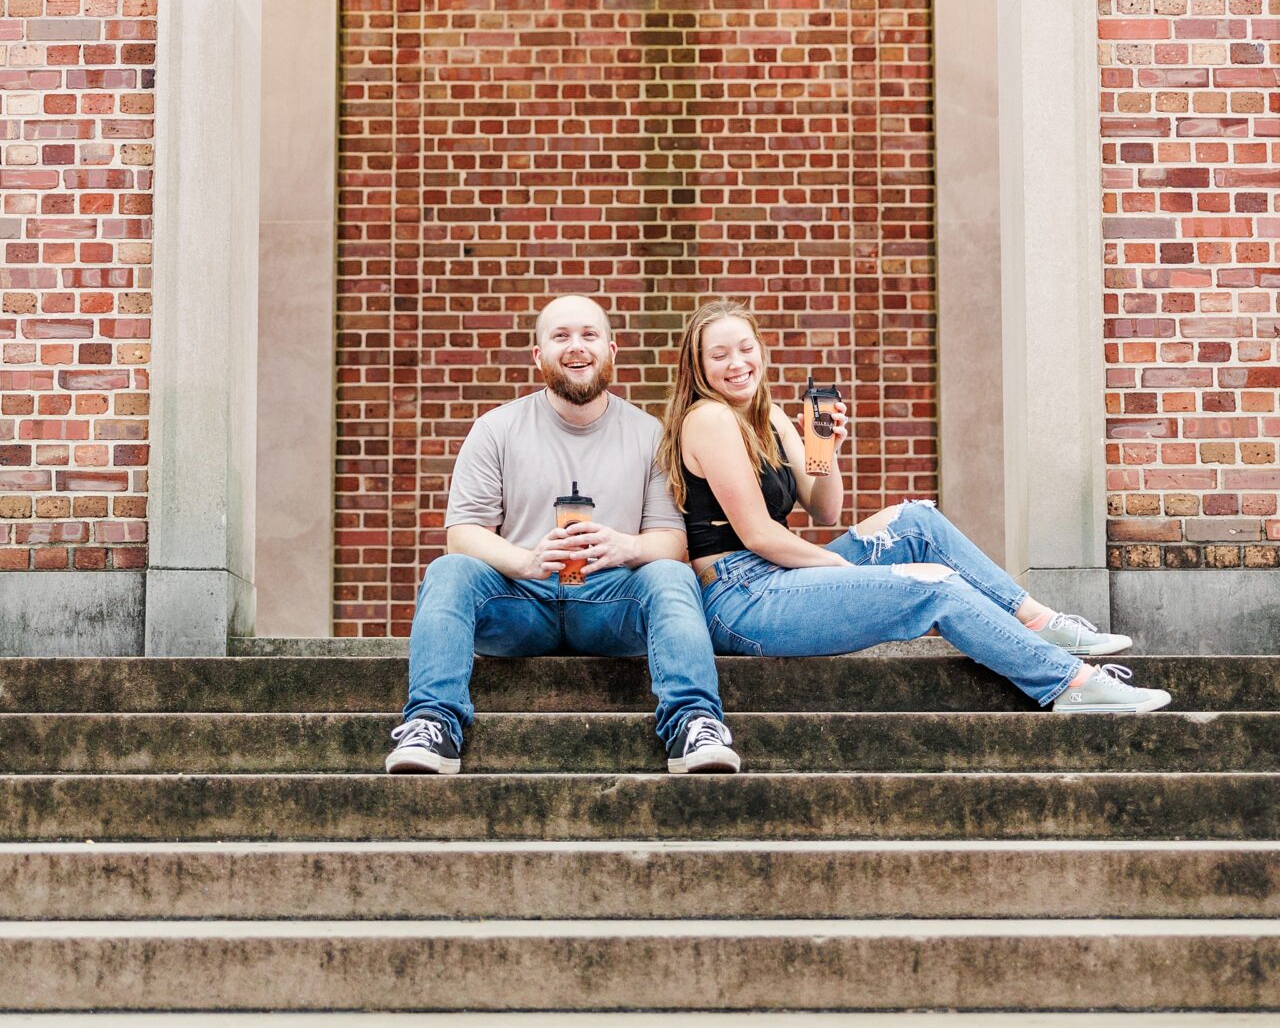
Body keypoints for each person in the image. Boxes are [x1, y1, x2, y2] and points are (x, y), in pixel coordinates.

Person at [657, 299, 1171, 715]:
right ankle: (1071, 682)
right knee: (932, 583)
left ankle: (1040, 622)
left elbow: (825, 510)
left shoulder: (771, 418)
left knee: (915, 520)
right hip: (743, 597)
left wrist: (827, 454)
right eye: (719, 354)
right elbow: (759, 536)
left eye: (745, 348)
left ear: (760, 351)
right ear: (699, 366)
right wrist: (842, 568)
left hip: (780, 578)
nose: (736, 363)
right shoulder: (710, 420)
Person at [385, 293, 742, 775]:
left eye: (589, 335)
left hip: (609, 603)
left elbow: (672, 542)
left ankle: (694, 724)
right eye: (561, 336)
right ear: (539, 355)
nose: (577, 348)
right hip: (520, 601)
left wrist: (626, 546)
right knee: (449, 571)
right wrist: (525, 561)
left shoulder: (650, 434)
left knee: (672, 578)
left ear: (612, 350)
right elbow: (463, 534)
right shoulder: (496, 429)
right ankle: (432, 725)